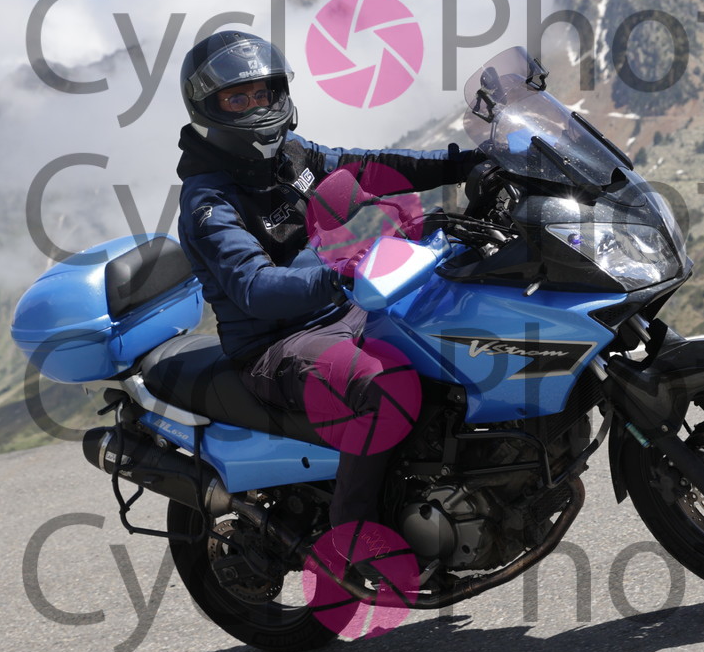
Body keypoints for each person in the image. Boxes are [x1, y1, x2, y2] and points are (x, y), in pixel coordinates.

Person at [174, 30, 480, 531]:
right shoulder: (209, 201)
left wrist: (466, 164)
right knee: (386, 387)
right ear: (209, 107)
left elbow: (371, 168)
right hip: (277, 343)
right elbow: (254, 288)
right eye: (238, 98)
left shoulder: (291, 158)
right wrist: (341, 276)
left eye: (263, 93)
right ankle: (355, 535)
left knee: (450, 322)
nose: (257, 106)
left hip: (343, 311)